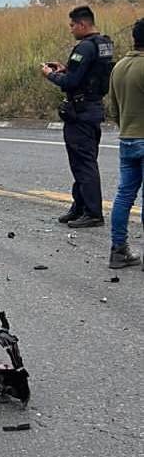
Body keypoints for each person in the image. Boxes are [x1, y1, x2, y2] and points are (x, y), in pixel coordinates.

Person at [41, 5, 114, 228]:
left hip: (81, 112)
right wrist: (66, 69)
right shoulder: (104, 44)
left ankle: (92, 212)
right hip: (93, 108)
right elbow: (87, 75)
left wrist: (51, 75)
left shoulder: (84, 47)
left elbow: (71, 82)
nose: (71, 30)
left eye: (72, 25)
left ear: (83, 24)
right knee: (81, 162)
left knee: (83, 163)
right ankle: (80, 206)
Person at [106, 18, 144, 269]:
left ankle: (118, 250)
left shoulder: (118, 67)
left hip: (127, 139)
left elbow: (113, 110)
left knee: (124, 196)